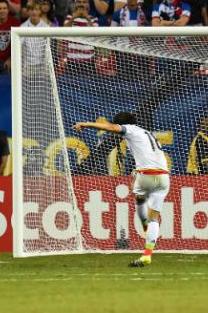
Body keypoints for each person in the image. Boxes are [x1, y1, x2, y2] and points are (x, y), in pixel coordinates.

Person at [73, 112, 170, 268]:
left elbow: (111, 128)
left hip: (147, 175)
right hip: (164, 177)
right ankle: (147, 254)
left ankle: (147, 227)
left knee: (140, 204)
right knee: (153, 217)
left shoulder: (130, 129)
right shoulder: (147, 133)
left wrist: (86, 124)